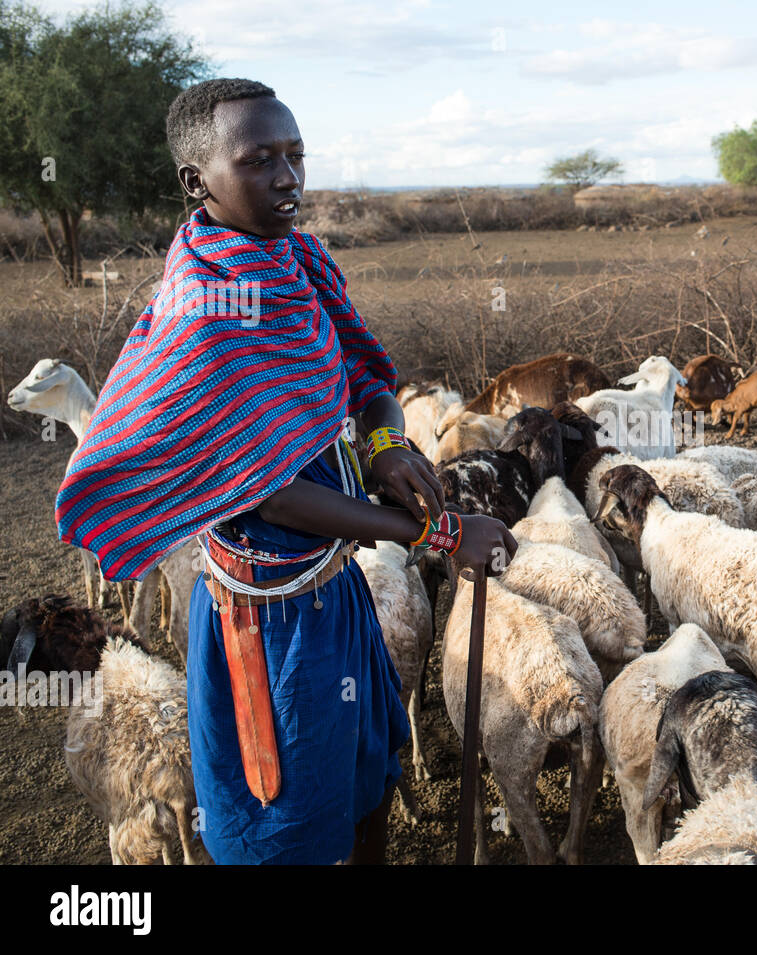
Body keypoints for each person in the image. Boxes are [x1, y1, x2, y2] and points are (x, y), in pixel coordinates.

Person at [55, 78, 517, 864]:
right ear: (196, 181)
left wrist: (387, 447)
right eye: (258, 159)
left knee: (366, 779)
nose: (287, 178)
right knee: (287, 827)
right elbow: (270, 490)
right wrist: (439, 531)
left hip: (333, 587)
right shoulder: (205, 312)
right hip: (265, 626)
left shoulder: (295, 257)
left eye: (295, 156)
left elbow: (368, 374)